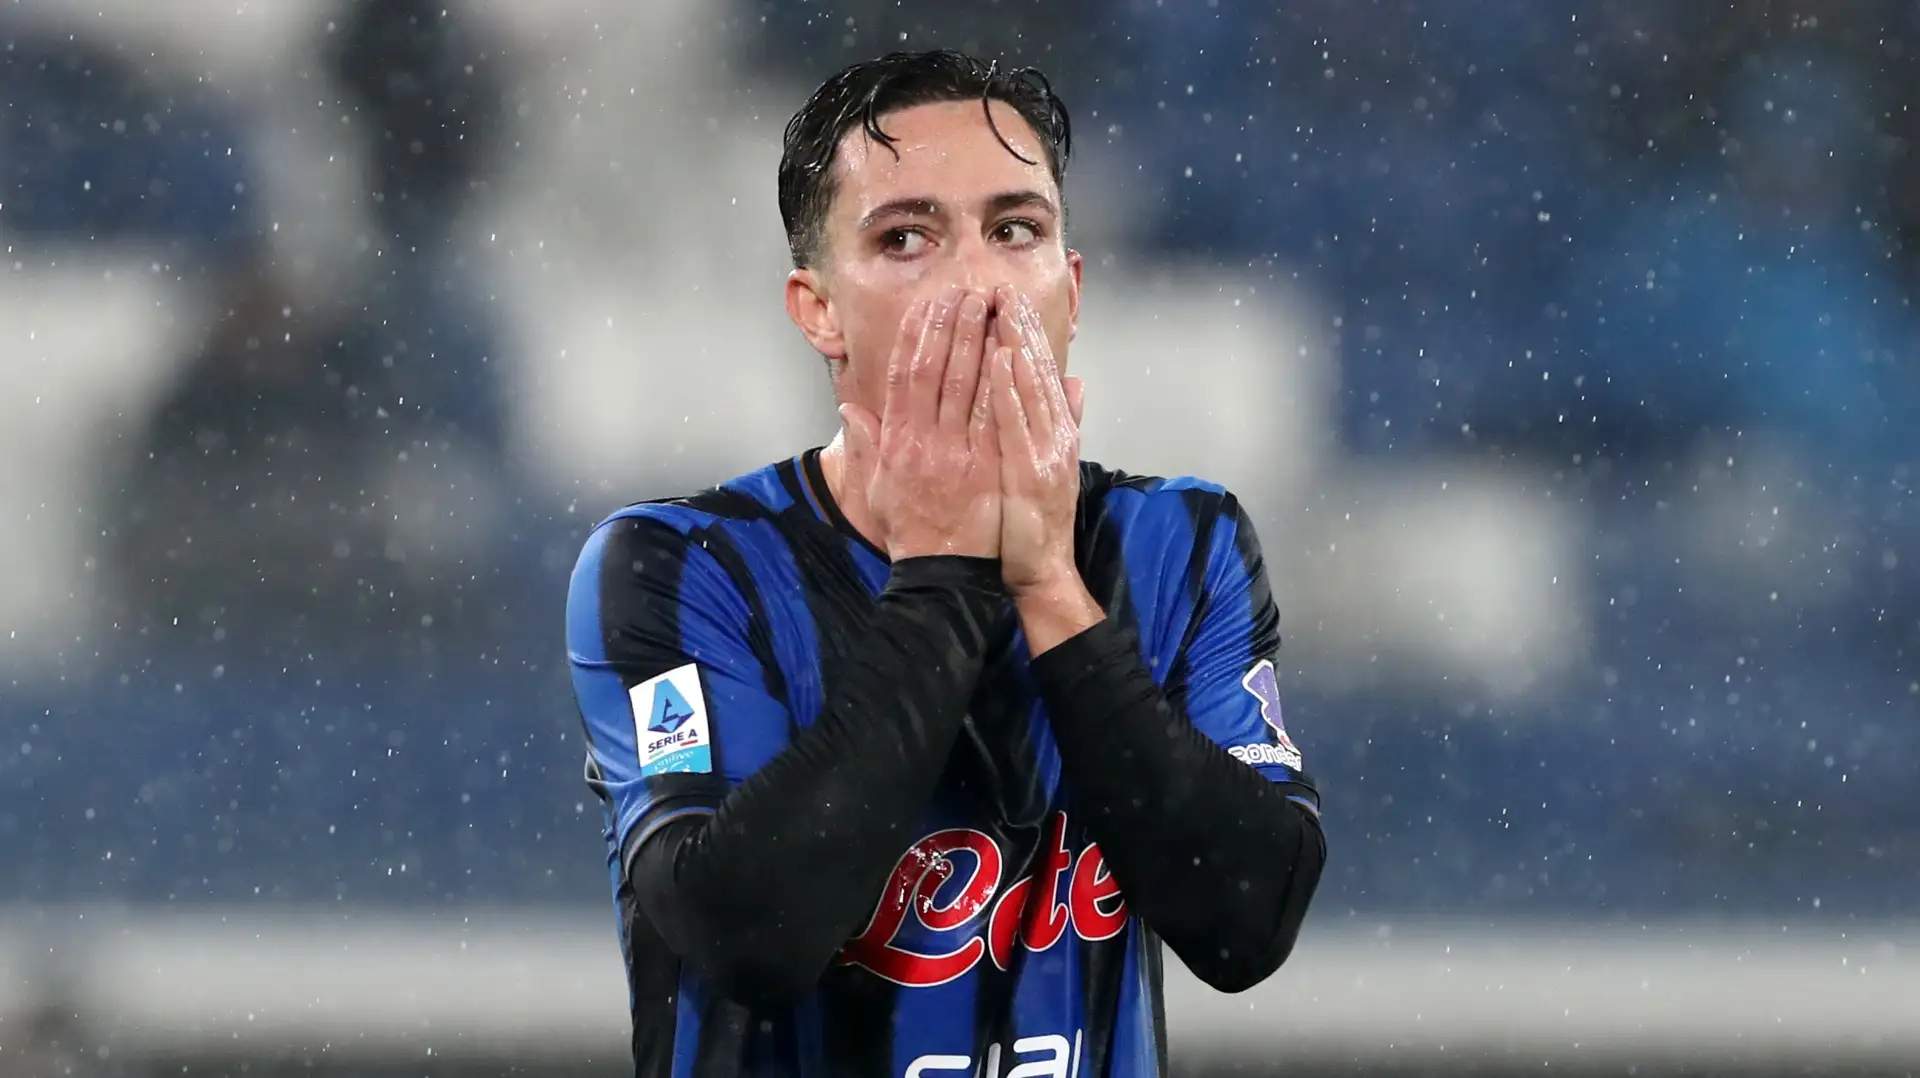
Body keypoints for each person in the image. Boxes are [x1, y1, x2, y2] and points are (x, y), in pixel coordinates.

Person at [565, 50, 1325, 1077]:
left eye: (1015, 230)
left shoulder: (1180, 544)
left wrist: (1051, 588)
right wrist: (945, 576)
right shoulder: (682, 568)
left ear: (1071, 290)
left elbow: (1247, 922)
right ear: (818, 310)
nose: (978, 282)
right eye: (906, 237)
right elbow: (750, 934)